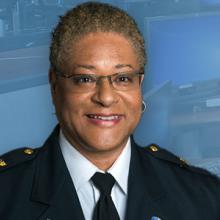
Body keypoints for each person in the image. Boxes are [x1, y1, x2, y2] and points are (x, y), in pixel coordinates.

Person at [0, 2, 220, 220]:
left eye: (123, 79)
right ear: (55, 86)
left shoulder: (202, 196)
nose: (105, 97)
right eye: (85, 79)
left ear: (139, 85)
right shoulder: (7, 195)